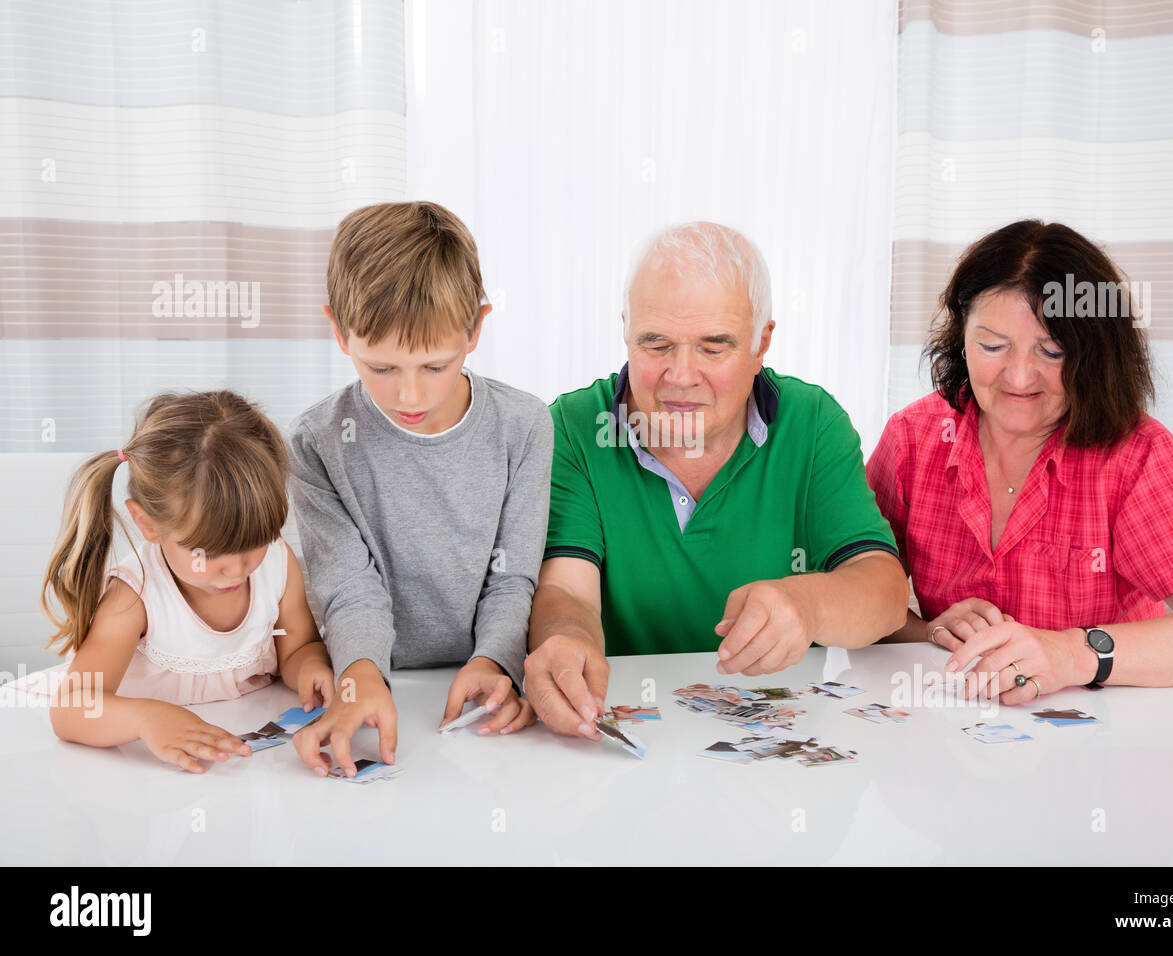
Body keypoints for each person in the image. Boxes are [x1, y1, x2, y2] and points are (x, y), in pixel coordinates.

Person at [527, 221, 908, 740]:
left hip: (777, 743)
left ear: (760, 345)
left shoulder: (813, 422)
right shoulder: (573, 427)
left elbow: (884, 593)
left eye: (713, 347)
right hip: (625, 733)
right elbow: (567, 592)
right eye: (656, 343)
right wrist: (565, 639)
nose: (681, 376)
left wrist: (809, 605)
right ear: (625, 331)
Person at [865, 219, 1173, 703]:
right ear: (961, 335)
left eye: (1051, 351)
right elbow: (857, 593)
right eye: (992, 346)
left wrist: (1070, 653)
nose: (1018, 376)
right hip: (954, 731)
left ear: (1094, 353)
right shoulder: (913, 437)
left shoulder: (1136, 454)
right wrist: (926, 632)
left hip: (1108, 740)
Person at [287, 201, 552, 777]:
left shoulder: (525, 425)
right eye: (381, 368)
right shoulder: (316, 441)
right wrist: (359, 675)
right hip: (377, 678)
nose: (410, 396)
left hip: (482, 690)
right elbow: (348, 586)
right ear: (338, 330)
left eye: (435, 366)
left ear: (475, 328)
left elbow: (513, 579)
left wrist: (496, 661)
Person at [25, 390, 334, 774]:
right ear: (148, 524)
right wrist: (145, 719)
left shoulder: (276, 561)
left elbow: (298, 647)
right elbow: (72, 707)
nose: (237, 570)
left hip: (239, 746)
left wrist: (311, 670)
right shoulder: (133, 596)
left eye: (254, 542)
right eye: (211, 552)